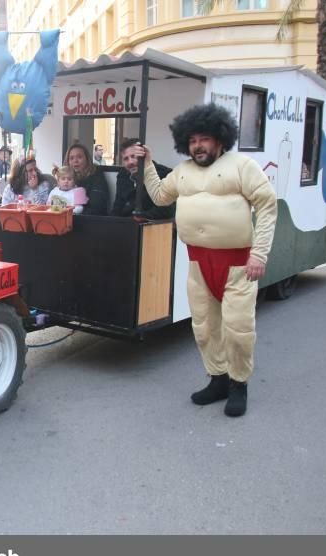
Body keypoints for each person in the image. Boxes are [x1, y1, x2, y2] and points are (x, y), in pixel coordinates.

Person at [128, 103, 277, 417]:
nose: (198, 146)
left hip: (238, 265)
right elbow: (159, 196)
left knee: (238, 329)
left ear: (220, 139)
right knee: (205, 328)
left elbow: (267, 206)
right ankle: (218, 379)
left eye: (204, 139)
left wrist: (259, 253)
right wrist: (149, 164)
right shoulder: (183, 172)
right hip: (198, 264)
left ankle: (239, 385)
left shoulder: (243, 166)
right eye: (193, 140)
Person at [112, 138, 176, 221]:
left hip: (156, 227)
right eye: (126, 159)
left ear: (144, 155)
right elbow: (118, 207)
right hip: (128, 226)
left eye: (133, 156)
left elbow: (167, 210)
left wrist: (142, 217)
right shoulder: (123, 176)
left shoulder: (165, 173)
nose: (130, 162)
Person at [64, 142, 109, 215]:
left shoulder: (96, 175)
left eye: (79, 157)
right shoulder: (65, 179)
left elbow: (97, 207)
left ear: (87, 159)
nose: (75, 161)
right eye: (71, 158)